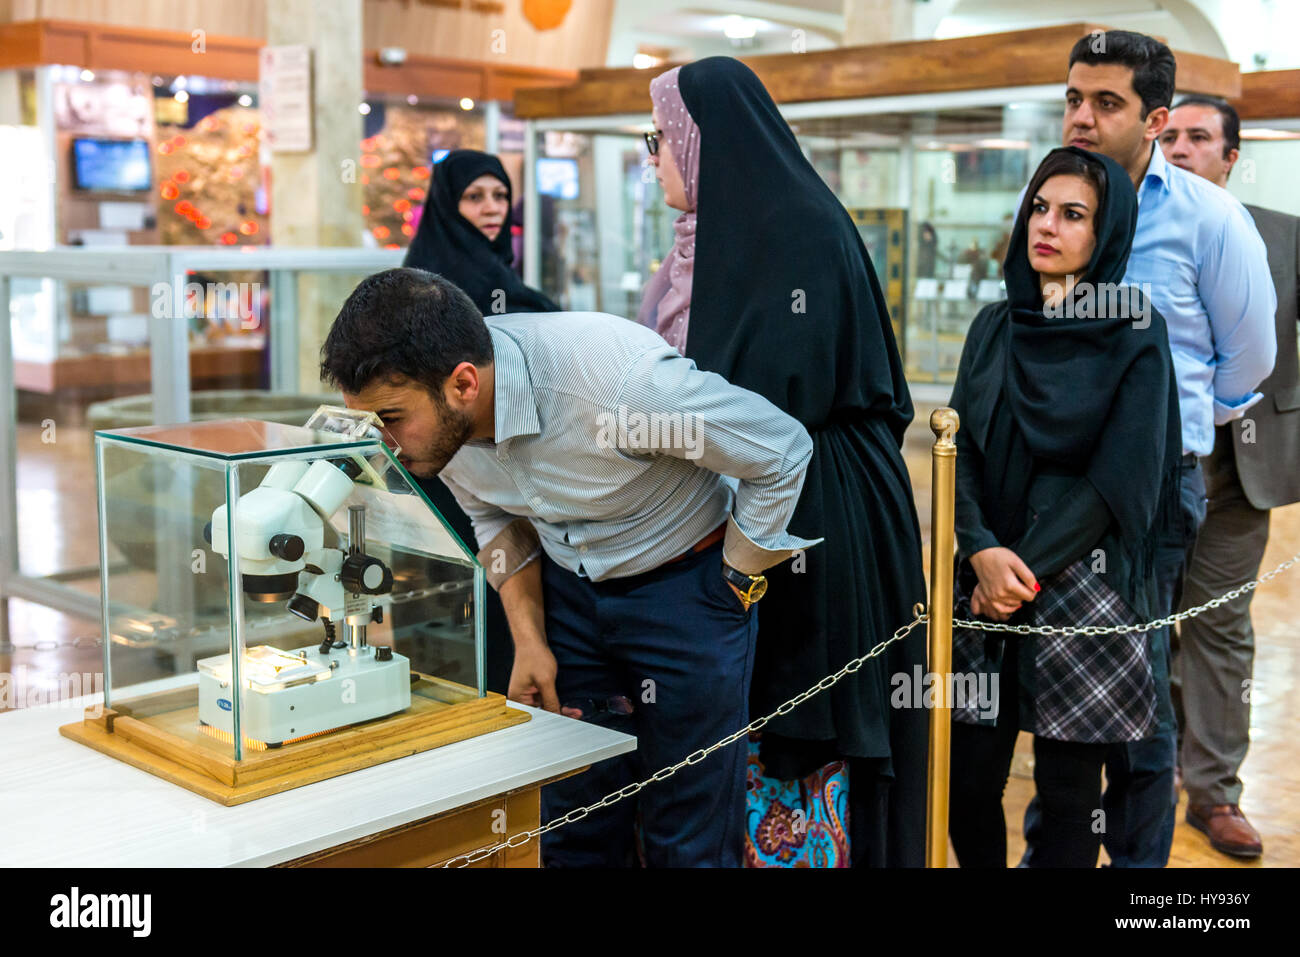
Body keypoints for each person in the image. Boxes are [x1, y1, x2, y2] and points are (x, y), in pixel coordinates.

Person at [321, 267, 820, 867]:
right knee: (570, 820)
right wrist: (530, 642)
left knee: (688, 829)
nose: (384, 440)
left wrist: (734, 580)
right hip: (568, 593)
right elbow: (495, 524)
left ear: (463, 383)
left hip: (686, 592)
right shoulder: (438, 432)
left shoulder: (618, 386)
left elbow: (782, 449)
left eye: (391, 418)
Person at [640, 57, 928, 868]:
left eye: (659, 138)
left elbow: (767, 399)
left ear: (705, 143)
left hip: (818, 506)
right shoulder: (713, 238)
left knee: (802, 734)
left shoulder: (792, 230)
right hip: (767, 498)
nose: (653, 157)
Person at [1018, 30, 1276, 869]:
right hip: (1053, 484)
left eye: (1107, 103)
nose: (1082, 118)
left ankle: (1140, 876)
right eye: (1073, 99)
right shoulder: (1054, 200)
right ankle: (1053, 849)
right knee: (1058, 677)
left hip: (1154, 488)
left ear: (1155, 119)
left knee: (1138, 692)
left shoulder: (1209, 218)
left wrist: (1181, 429)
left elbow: (1251, 359)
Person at [948, 146, 1181, 868]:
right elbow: (957, 449)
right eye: (1039, 208)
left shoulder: (1134, 327)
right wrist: (980, 548)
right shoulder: (996, 324)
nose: (1046, 226)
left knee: (1070, 799)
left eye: (1073, 214)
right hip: (986, 587)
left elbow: (1121, 481)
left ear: (1107, 232)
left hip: (1081, 586)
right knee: (966, 780)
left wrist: (1014, 575)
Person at [1158, 94, 1300, 859]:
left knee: (1217, 623)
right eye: (1169, 134)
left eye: (1198, 137)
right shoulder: (1132, 231)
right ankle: (1153, 762)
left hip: (1244, 468)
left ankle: (1214, 792)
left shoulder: (1283, 235)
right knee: (1150, 616)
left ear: (1230, 156)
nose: (1179, 147)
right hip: (1149, 467)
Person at [401, 149, 558, 694]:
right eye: (474, 196)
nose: (491, 207)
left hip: (497, 473)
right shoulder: (443, 285)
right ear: (448, 203)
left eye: (499, 195)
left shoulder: (490, 269)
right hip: (465, 473)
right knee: (491, 599)